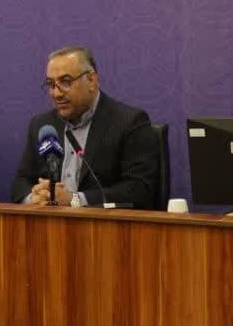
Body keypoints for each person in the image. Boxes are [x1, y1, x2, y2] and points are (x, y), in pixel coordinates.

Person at [12, 46, 160, 209]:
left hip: (102, 223)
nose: (56, 93)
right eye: (51, 84)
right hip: (48, 222)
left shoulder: (129, 122)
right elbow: (21, 182)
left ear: (91, 81)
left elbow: (139, 190)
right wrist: (35, 197)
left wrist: (74, 199)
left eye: (65, 82)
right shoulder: (42, 125)